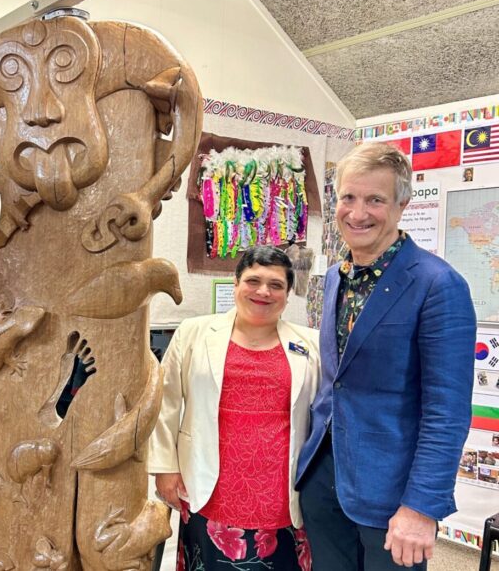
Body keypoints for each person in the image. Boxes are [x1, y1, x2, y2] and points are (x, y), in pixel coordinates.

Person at [295, 143, 476, 570]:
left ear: (402, 205)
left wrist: (421, 507)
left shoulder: (438, 285)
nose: (357, 214)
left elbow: (446, 412)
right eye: (348, 198)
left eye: (375, 199)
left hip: (392, 495)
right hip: (325, 479)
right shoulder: (338, 276)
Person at [149, 246, 320, 570]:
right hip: (209, 487)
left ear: (287, 293)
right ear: (236, 283)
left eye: (276, 285)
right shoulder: (194, 333)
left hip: (281, 496)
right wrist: (164, 468)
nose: (263, 292)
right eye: (253, 280)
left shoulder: (309, 345)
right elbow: (164, 402)